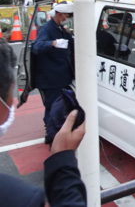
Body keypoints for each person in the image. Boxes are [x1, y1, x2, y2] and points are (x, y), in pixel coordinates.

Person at [0, 39, 87, 205]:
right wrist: (63, 159)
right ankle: (50, 134)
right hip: (49, 82)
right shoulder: (18, 197)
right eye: (12, 90)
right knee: (51, 112)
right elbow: (38, 47)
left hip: (60, 79)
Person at [32, 2, 75, 143]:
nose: (67, 18)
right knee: (52, 106)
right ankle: (51, 135)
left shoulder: (59, 28)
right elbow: (36, 47)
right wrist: (52, 43)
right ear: (60, 14)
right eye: (67, 15)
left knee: (59, 105)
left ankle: (54, 131)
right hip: (49, 78)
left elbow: (70, 43)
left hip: (60, 76)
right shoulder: (47, 29)